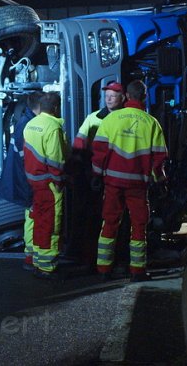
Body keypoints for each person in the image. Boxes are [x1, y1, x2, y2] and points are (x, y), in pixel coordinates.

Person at [91, 80, 167, 282]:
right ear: (144, 97)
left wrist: (97, 175)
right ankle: (137, 271)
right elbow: (158, 158)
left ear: (126, 97)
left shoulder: (112, 119)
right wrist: (159, 179)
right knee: (139, 225)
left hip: (113, 182)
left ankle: (104, 269)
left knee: (109, 223)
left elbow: (99, 151)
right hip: (138, 185)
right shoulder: (151, 123)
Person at [67, 81, 126, 265]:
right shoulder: (93, 118)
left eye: (113, 95)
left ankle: (111, 257)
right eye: (106, 95)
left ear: (122, 97)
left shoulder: (125, 119)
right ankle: (89, 255)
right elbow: (79, 143)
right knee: (93, 216)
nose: (108, 98)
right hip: (93, 175)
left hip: (115, 174)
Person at [23, 92, 68, 279]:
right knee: (50, 225)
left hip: (33, 181)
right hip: (50, 184)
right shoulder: (53, 128)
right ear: (56, 108)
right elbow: (56, 161)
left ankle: (33, 258)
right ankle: (47, 267)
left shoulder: (30, 124)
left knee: (35, 219)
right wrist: (59, 183)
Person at [0, 91, 43, 271]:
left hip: (26, 180)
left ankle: (31, 253)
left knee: (30, 216)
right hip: (29, 181)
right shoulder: (29, 125)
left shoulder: (24, 122)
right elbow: (28, 160)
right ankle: (33, 254)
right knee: (34, 216)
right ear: (39, 106)